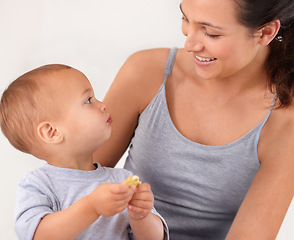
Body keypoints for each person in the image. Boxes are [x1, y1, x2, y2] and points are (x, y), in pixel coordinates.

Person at [93, 0, 294, 239]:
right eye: (186, 19)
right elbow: (73, 183)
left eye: (211, 33)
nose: (189, 44)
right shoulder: (146, 72)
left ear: (266, 32)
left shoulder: (284, 118)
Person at [0, 64, 169, 240]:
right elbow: (37, 235)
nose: (103, 105)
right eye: (88, 100)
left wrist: (141, 216)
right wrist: (91, 207)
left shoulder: (121, 180)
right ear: (52, 132)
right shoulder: (38, 185)